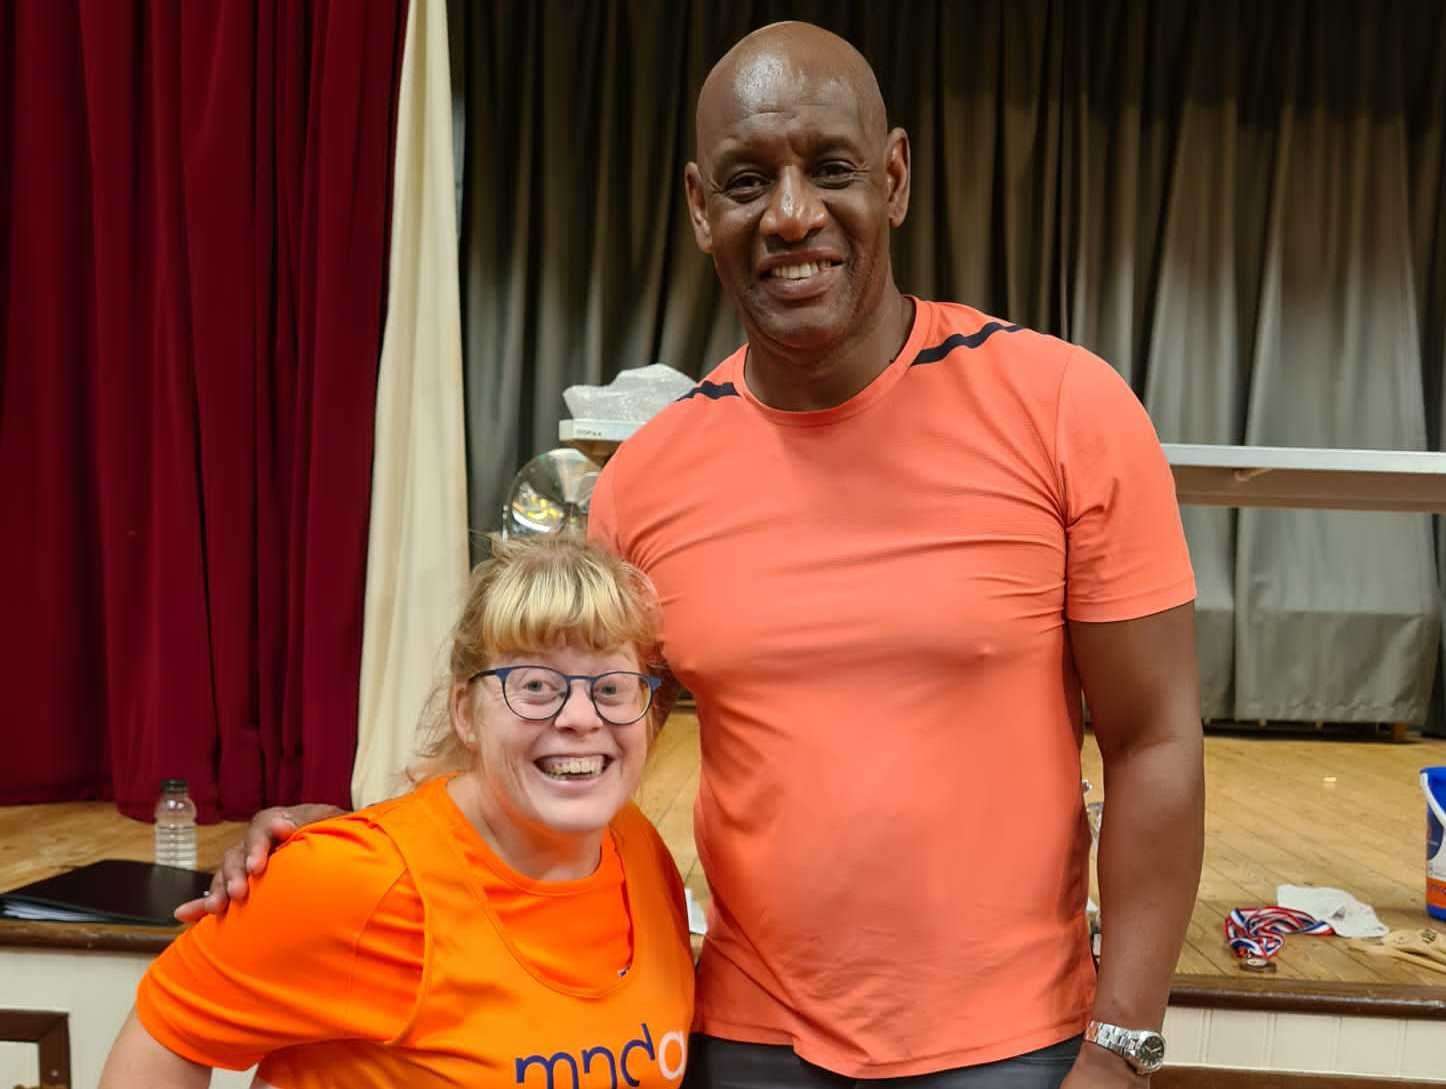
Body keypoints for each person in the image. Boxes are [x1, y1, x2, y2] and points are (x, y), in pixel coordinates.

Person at [193, 21, 1204, 1089]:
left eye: (831, 168)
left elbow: (1154, 741)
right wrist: (362, 847)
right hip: (746, 1040)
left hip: (1018, 1050)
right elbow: (555, 732)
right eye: (746, 180)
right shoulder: (649, 478)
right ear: (698, 209)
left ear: (895, 178)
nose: (793, 213)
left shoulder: (1060, 406)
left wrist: (1122, 1048)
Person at [102, 536, 695, 1088]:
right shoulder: (355, 880)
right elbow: (167, 1035)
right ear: (466, 712)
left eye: (612, 688)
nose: (581, 717)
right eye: (536, 686)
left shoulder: (636, 848)